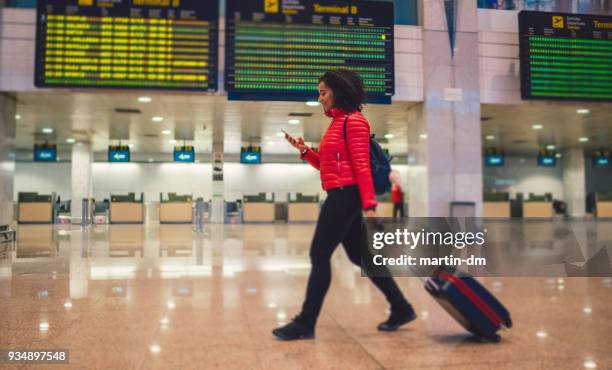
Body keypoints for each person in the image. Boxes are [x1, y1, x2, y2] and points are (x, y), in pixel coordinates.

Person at [273, 69, 416, 341]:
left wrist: (370, 204)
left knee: (318, 256)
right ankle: (401, 307)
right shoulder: (336, 124)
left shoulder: (354, 121)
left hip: (344, 197)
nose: (320, 98)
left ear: (339, 91)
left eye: (324, 92)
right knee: (360, 257)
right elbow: (327, 166)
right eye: (319, 93)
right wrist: (305, 152)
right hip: (341, 193)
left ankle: (306, 321)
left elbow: (361, 166)